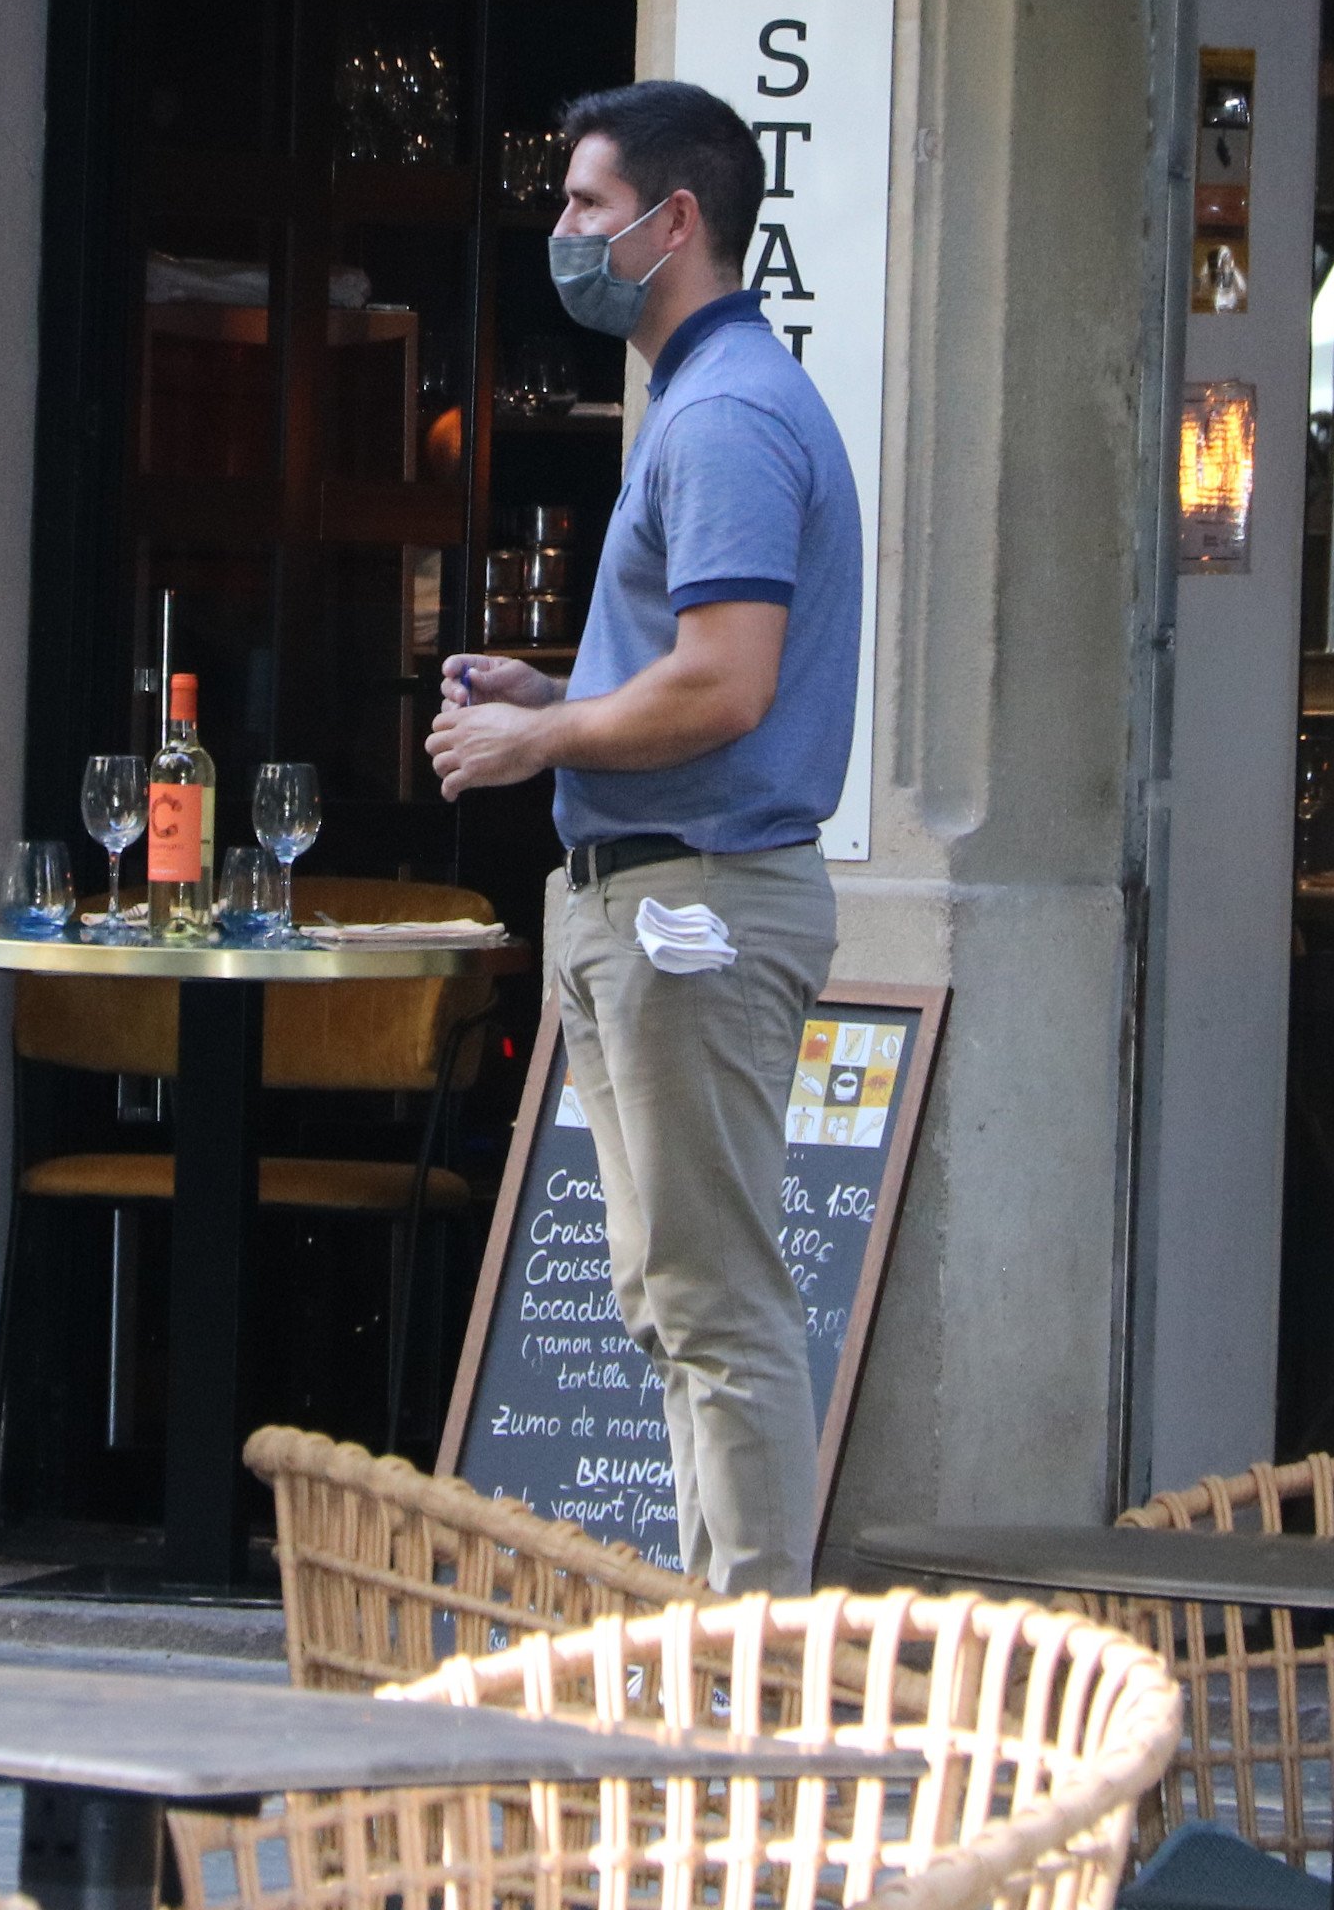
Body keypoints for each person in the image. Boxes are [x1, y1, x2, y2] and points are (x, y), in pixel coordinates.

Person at [426, 78, 863, 1594]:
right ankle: (722, 1656)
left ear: (677, 221)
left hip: (699, 902)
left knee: (716, 1303)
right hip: (668, 896)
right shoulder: (708, 399)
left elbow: (728, 686)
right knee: (677, 1296)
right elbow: (694, 675)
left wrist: (533, 734)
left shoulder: (727, 412)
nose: (560, 232)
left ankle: (743, 1683)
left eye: (587, 206)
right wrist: (556, 692)